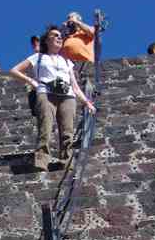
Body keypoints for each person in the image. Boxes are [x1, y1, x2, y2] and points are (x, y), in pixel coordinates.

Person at [9, 24, 95, 171]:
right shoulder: (38, 57)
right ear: (46, 41)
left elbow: (74, 86)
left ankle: (66, 162)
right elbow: (14, 70)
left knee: (68, 131)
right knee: (45, 128)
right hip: (46, 93)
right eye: (54, 35)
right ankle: (41, 162)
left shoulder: (67, 61)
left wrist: (87, 102)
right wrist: (32, 82)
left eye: (60, 36)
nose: (59, 37)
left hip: (67, 96)